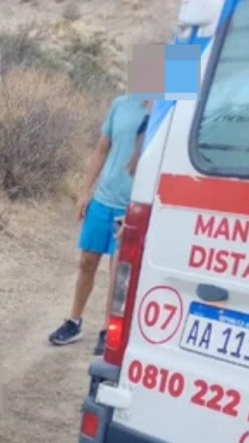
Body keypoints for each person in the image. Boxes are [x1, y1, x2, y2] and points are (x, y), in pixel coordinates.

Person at [48, 95, 151, 355]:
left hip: (132, 205)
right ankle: (74, 321)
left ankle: (109, 331)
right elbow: (102, 148)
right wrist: (85, 191)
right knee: (87, 261)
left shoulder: (166, 108)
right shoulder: (121, 103)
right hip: (103, 199)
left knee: (118, 273)